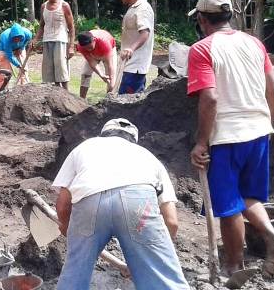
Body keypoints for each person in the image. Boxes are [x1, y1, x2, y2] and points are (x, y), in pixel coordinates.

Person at [186, 0, 274, 278]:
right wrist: (267, 122)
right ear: (230, 15)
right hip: (258, 132)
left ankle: (232, 266)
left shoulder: (202, 49)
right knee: (249, 196)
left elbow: (210, 98)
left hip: (226, 137)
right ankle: (272, 236)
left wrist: (201, 142)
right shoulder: (254, 43)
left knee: (229, 205)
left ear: (202, 19)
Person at [53, 118, 189, 290]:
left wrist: (68, 229)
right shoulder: (149, 157)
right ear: (133, 140)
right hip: (138, 204)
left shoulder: (84, 148)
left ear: (103, 135)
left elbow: (63, 205)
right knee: (163, 281)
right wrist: (148, 257)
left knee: (74, 275)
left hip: (89, 202)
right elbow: (172, 222)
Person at [31, 0, 75, 89]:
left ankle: (66, 95)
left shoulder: (64, 5)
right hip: (47, 40)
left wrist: (71, 46)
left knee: (61, 72)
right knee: (49, 73)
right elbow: (42, 25)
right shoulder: (43, 6)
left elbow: (71, 27)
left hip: (60, 40)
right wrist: (35, 39)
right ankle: (56, 97)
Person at [115, 0, 154, 94]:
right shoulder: (134, 7)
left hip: (135, 65)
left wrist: (131, 49)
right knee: (126, 99)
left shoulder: (142, 9)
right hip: (129, 64)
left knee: (129, 102)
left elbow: (145, 32)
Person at [75, 29, 117, 98]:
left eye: (90, 47)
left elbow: (110, 65)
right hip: (93, 55)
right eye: (86, 48)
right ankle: (81, 100)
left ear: (94, 40)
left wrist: (111, 82)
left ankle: (108, 101)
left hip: (108, 50)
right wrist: (101, 75)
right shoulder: (80, 47)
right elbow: (92, 63)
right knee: (85, 74)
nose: (89, 49)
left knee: (111, 79)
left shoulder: (104, 42)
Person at [0, 23, 33, 89]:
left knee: (24, 68)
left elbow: (27, 40)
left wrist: (21, 48)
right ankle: (1, 87)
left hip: (19, 48)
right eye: (15, 39)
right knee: (3, 69)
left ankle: (23, 86)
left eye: (19, 39)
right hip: (4, 50)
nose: (17, 41)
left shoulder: (27, 33)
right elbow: (9, 56)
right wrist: (18, 65)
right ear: (11, 36)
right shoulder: (6, 37)